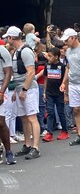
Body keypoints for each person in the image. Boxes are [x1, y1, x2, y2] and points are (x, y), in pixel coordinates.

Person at [3, 26, 41, 160]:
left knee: (31, 118)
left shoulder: (25, 51)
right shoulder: (17, 52)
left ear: (12, 38)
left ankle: (35, 147)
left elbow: (31, 72)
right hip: (20, 89)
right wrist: (16, 91)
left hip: (28, 88)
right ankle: (27, 144)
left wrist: (24, 89)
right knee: (24, 118)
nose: (7, 40)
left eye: (8, 37)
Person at [42, 47, 69, 142]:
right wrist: (44, 92)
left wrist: (65, 93)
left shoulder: (62, 66)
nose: (48, 58)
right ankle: (49, 132)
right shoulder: (47, 66)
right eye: (48, 55)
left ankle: (65, 131)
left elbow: (65, 81)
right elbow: (46, 79)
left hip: (59, 93)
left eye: (51, 56)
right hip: (49, 93)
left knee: (61, 112)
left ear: (56, 57)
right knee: (50, 112)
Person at [0, 44, 17, 164]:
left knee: (1, 122)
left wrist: (1, 91)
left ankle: (9, 152)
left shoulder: (2, 51)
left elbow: (8, 73)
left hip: (0, 85)